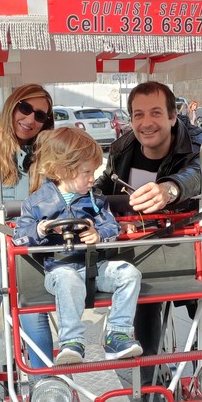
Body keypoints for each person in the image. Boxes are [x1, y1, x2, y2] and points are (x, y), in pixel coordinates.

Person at [94, 80, 202, 402]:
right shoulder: (123, 148)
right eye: (138, 114)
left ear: (172, 116)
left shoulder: (197, 142)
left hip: (183, 238)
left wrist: (170, 189)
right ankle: (152, 389)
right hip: (138, 242)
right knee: (144, 305)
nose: (146, 122)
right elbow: (104, 183)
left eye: (155, 113)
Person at [13, 128, 143, 365]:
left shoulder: (95, 199)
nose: (92, 178)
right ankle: (71, 341)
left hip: (95, 266)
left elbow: (111, 227)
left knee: (130, 273)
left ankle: (118, 333)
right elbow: (19, 236)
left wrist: (98, 234)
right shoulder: (36, 203)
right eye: (86, 172)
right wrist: (43, 228)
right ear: (61, 171)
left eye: (93, 171)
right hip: (59, 269)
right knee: (68, 279)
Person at [0, 84, 55, 377]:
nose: (30, 119)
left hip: (32, 241)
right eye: (25, 109)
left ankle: (47, 387)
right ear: (12, 107)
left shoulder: (48, 153)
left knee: (34, 311)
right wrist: (10, 232)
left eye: (40, 115)